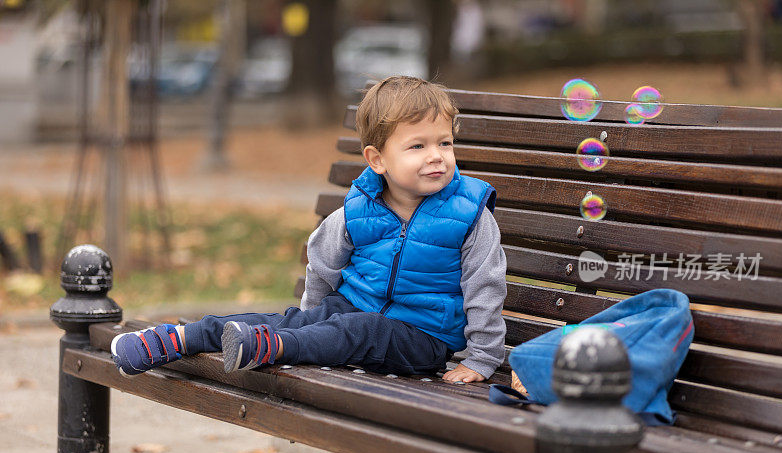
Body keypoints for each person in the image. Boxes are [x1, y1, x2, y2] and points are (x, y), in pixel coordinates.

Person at [111, 75, 507, 383]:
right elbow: (322, 263)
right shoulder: (357, 212)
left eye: (445, 143)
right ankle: (181, 338)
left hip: (423, 338)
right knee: (295, 319)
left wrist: (483, 359)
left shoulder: (469, 214)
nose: (437, 156)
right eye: (417, 147)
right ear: (377, 160)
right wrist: (313, 319)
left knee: (359, 329)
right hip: (350, 311)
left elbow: (485, 287)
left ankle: (272, 347)